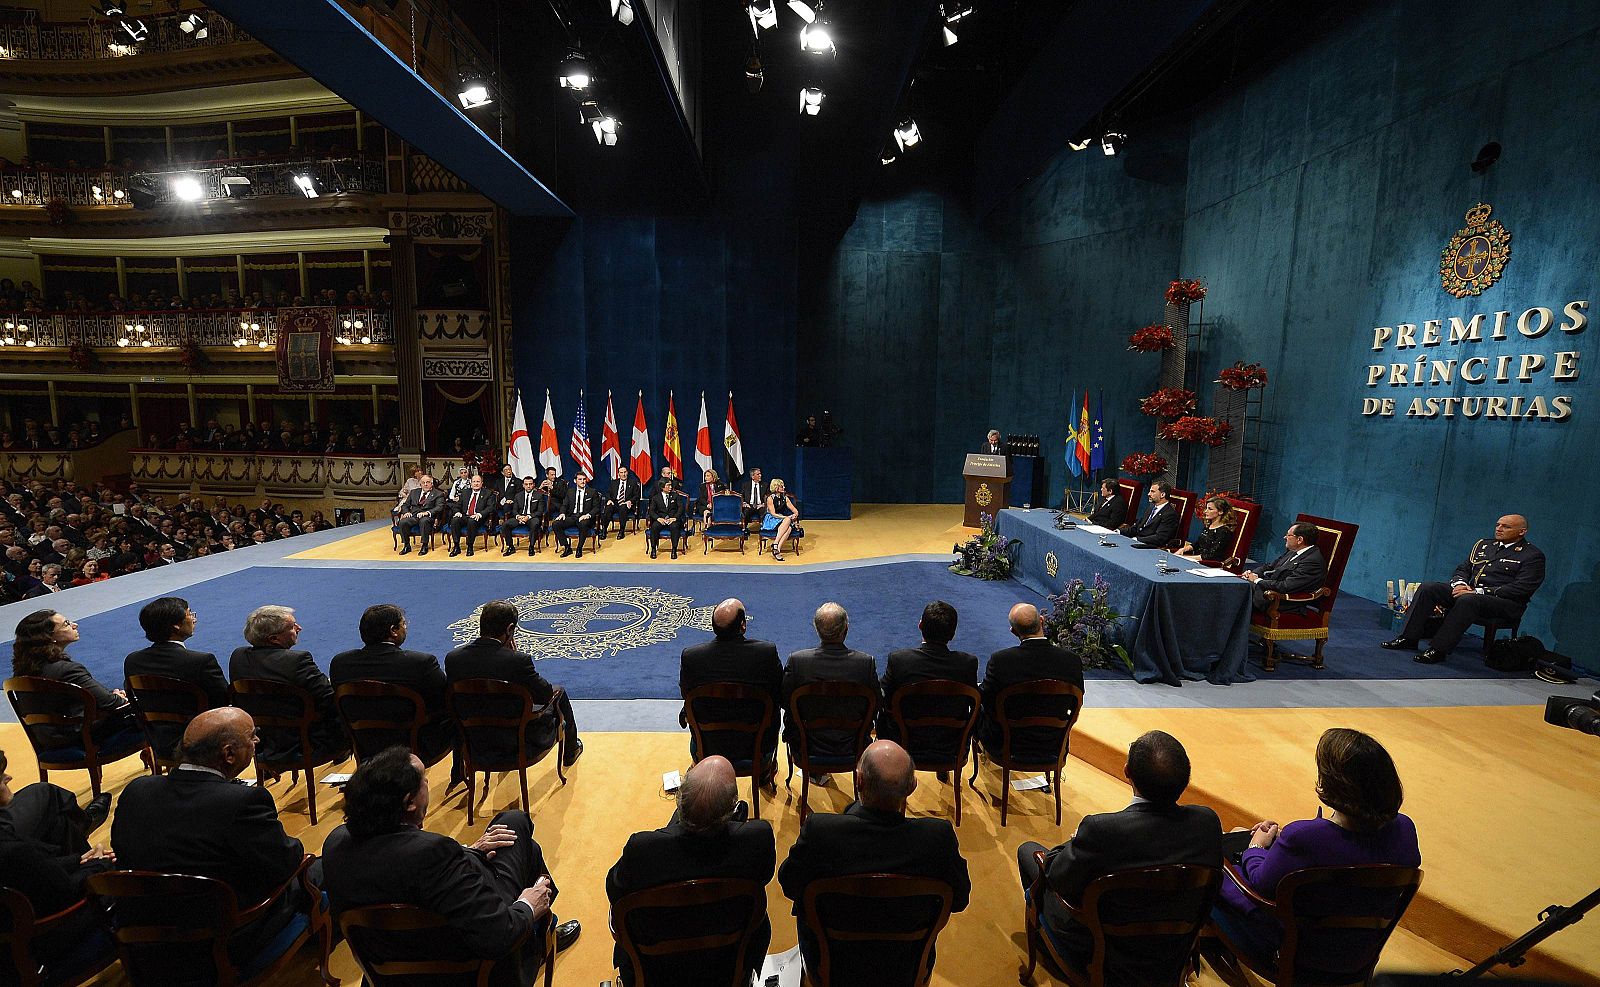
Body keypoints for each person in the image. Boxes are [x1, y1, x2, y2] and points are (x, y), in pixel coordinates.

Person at [322, 747, 579, 986]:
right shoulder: (434, 854)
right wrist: (527, 905)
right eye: (424, 780)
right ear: (409, 801)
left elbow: (405, 870)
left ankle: (544, 926)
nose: (428, 784)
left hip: (387, 973)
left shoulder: (335, 844)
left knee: (518, 837)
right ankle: (542, 928)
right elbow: (499, 935)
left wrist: (468, 852)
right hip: (471, 973)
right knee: (518, 826)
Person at [111, 708, 313, 965]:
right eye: (252, 736)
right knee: (320, 869)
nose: (257, 742)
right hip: (221, 942)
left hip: (143, 941)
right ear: (228, 754)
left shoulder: (137, 790)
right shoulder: (242, 802)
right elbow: (287, 862)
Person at [1016, 731, 1222, 979]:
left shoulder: (1102, 831)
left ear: (1127, 772)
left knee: (1029, 852)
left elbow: (1058, 877)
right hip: (1170, 953)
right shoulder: (1207, 823)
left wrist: (1073, 843)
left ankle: (1053, 946)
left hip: (1103, 955)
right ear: (1185, 780)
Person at [1210, 728, 1420, 964]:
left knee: (1210, 863)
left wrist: (1256, 848)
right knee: (1238, 833)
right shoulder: (1405, 830)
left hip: (1294, 951)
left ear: (1332, 783)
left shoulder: (1305, 838)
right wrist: (1285, 845)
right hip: (1358, 953)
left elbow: (1261, 884)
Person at [778, 741, 970, 973]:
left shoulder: (820, 831)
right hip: (906, 965)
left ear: (858, 781)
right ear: (912, 787)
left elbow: (789, 885)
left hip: (831, 963)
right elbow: (959, 900)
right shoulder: (938, 838)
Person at [604, 756, 776, 986]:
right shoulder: (756, 839)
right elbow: (764, 875)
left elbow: (614, 891)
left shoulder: (642, 850)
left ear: (679, 801)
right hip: (727, 967)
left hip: (656, 972)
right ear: (732, 810)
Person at [0, 747, 116, 970]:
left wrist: (78, 859)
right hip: (39, 945)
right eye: (0, 777)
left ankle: (82, 834)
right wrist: (100, 864)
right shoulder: (13, 849)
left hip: (13, 932)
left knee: (58, 824)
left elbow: (39, 869)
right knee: (127, 877)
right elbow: (66, 890)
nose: (9, 777)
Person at [1383, 514, 1546, 665]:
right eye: (1498, 525)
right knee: (1429, 588)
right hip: (1470, 593)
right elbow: (1464, 569)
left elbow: (1521, 588)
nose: (1499, 528)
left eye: (1506, 526)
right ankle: (1408, 638)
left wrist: (1477, 591)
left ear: (1522, 532)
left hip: (1505, 603)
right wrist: (1460, 584)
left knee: (1469, 600)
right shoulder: (1484, 545)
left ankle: (1438, 649)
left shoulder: (1531, 555)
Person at [444, 600, 583, 767]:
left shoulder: (453, 659)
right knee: (559, 692)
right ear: (509, 629)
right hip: (517, 742)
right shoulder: (517, 661)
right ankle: (571, 750)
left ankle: (458, 769)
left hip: (474, 741)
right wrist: (513, 657)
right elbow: (545, 695)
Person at [330, 604, 457, 766]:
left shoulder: (340, 664)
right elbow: (444, 700)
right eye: (404, 624)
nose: (406, 628)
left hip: (365, 745)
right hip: (416, 746)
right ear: (393, 631)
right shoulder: (420, 663)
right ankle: (458, 772)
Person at [228, 605, 347, 765]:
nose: (299, 628)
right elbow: (329, 700)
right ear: (274, 639)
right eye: (292, 626)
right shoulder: (297, 661)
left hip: (261, 743)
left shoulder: (238, 657)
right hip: (306, 743)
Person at [11, 609, 138, 747]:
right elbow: (112, 703)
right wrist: (118, 698)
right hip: (80, 736)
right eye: (66, 624)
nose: (74, 625)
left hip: (47, 739)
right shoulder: (67, 670)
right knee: (146, 708)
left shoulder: (20, 674)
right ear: (49, 637)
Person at [678, 599, 784, 766]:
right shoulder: (765, 654)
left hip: (707, 745)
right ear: (743, 625)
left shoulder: (692, 657)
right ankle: (764, 772)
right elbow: (780, 694)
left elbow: (686, 695)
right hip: (757, 746)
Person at [977, 604, 1084, 764]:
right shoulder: (1072, 661)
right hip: (1052, 745)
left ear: (1013, 631)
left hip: (1006, 744)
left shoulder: (1001, 661)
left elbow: (985, 698)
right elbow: (1076, 700)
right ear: (1042, 621)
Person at [123, 596, 228, 758]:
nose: (194, 619)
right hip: (202, 740)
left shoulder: (132, 661)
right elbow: (224, 701)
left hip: (159, 739)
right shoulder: (201, 661)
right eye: (189, 614)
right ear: (176, 626)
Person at [876, 601, 979, 758]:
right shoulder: (968, 664)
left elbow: (885, 699)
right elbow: (974, 703)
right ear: (953, 634)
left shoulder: (899, 661)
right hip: (951, 744)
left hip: (904, 742)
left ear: (920, 625)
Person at [782, 603, 880, 763]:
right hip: (854, 747)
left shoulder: (798, 662)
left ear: (817, 629)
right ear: (846, 629)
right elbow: (876, 704)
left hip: (806, 747)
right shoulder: (865, 664)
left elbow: (785, 702)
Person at [1243, 521, 1326, 611]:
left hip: (1281, 600)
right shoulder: (1293, 551)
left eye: (1288, 535)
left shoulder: (1312, 562)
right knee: (1238, 586)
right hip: (1269, 590)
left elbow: (1286, 586)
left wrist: (1257, 580)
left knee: (1239, 591)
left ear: (1300, 540)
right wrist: (1253, 573)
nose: (1284, 537)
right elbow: (1269, 567)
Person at [1176, 496, 1239, 562]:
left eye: (1210, 509)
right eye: (1206, 508)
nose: (1205, 511)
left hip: (1209, 564)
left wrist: (1185, 558)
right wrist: (1183, 549)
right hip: (1196, 559)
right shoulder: (1208, 526)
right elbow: (1197, 544)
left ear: (1220, 512)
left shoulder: (1224, 531)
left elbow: (1211, 556)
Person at [395, 474, 446, 555]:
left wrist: (427, 513)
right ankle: (406, 545)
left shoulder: (438, 494)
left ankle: (424, 545)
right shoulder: (414, 492)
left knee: (424, 521)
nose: (425, 484)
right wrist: (406, 512)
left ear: (431, 484)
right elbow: (405, 505)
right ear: (420, 484)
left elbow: (439, 507)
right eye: (423, 482)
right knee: (403, 522)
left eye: (428, 482)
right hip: (414, 516)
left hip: (428, 517)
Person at [1119, 480, 1180, 548]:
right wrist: (1119, 532)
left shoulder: (1170, 514)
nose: (1149, 494)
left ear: (1162, 494)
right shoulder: (1151, 507)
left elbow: (1160, 537)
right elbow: (1137, 527)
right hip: (1137, 541)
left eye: (1152, 492)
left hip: (1150, 547)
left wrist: (1137, 539)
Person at [499, 475, 547, 557]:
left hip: (532, 517)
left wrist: (528, 517)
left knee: (535, 523)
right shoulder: (518, 495)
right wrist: (518, 516)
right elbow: (514, 510)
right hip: (520, 517)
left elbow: (540, 511)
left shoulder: (539, 495)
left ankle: (531, 547)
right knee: (505, 524)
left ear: (533, 485)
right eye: (526, 484)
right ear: (523, 485)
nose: (528, 486)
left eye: (530, 484)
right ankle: (510, 547)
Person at [552, 474, 597, 558]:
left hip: (585, 517)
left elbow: (596, 507)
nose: (583, 481)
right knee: (556, 524)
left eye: (584, 479)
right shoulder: (570, 492)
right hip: (572, 517)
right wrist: (562, 513)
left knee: (583, 524)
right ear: (575, 481)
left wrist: (588, 515)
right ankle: (567, 547)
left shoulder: (592, 492)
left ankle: (579, 548)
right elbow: (564, 505)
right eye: (580, 479)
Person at [448, 474, 493, 558]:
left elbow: (490, 508)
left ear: (482, 483)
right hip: (465, 516)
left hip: (478, 518)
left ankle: (470, 546)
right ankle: (456, 546)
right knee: (455, 520)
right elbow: (457, 505)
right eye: (474, 482)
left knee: (472, 521)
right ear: (471, 483)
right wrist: (457, 512)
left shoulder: (487, 493)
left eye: (478, 482)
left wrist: (479, 514)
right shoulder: (465, 492)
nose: (476, 484)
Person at [647, 476, 688, 560]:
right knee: (654, 526)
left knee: (674, 526)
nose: (670, 487)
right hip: (661, 519)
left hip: (673, 519)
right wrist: (658, 518)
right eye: (668, 485)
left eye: (671, 485)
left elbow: (681, 508)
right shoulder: (656, 498)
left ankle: (674, 549)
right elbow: (651, 511)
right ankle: (653, 549)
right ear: (662, 486)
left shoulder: (675, 495)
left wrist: (675, 518)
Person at [763, 478, 800, 561]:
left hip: (781, 519)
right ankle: (775, 544)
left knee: (789, 527)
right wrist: (786, 517)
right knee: (787, 521)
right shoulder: (770, 498)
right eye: (781, 486)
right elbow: (773, 514)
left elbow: (795, 511)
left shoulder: (785, 498)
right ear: (776, 488)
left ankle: (777, 549)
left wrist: (795, 515)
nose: (784, 487)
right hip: (772, 519)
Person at [602, 464, 642, 540]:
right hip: (615, 502)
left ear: (627, 472)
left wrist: (630, 501)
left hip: (627, 504)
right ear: (618, 474)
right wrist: (609, 500)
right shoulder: (614, 482)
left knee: (623, 507)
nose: (623, 474)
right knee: (608, 507)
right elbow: (608, 493)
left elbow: (637, 496)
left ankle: (621, 530)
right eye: (621, 472)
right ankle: (604, 529)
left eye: (625, 472)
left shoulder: (633, 483)